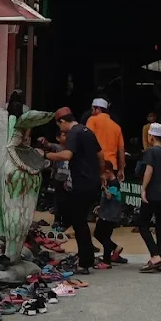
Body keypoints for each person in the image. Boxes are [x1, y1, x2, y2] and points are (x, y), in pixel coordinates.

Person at [39, 108, 103, 273]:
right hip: (92, 182)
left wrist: (45, 155)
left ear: (62, 122)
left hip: (81, 184)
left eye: (59, 126)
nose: (61, 131)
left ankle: (85, 262)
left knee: (79, 223)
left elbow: (67, 155)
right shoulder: (87, 130)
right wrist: (100, 174)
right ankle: (87, 258)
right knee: (79, 221)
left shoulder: (74, 133)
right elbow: (101, 154)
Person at [138, 122, 161, 273]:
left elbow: (149, 170)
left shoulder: (151, 152)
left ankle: (155, 255)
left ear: (151, 136)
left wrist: (143, 188)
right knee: (160, 227)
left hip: (153, 191)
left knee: (142, 224)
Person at [86, 98, 126, 179]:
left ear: (98, 109)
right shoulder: (117, 127)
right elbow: (121, 150)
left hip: (96, 165)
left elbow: (87, 140)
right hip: (112, 167)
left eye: (92, 109)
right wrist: (121, 170)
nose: (91, 112)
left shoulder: (92, 120)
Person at [94, 161, 123, 269]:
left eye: (102, 173)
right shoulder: (109, 182)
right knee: (97, 233)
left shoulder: (114, 182)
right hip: (106, 211)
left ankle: (106, 261)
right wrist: (100, 206)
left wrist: (103, 187)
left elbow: (110, 196)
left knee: (105, 236)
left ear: (107, 171)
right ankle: (115, 248)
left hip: (110, 214)